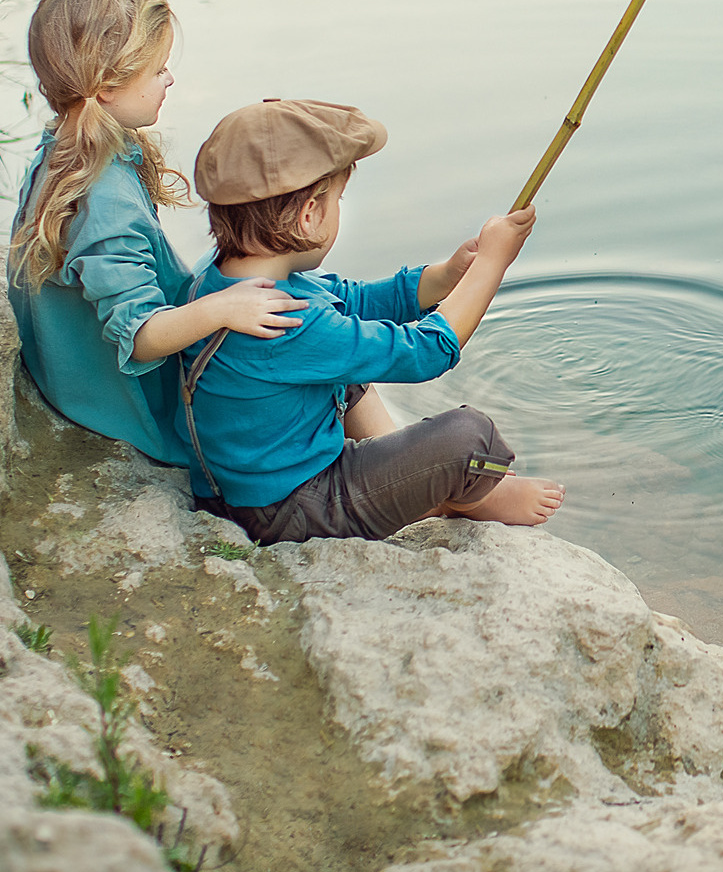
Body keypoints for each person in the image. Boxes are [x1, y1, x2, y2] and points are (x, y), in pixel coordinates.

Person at [173, 97, 563, 543]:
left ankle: (407, 480)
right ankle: (464, 496)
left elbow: (353, 300)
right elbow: (427, 352)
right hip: (289, 510)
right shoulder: (286, 321)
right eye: (337, 199)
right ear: (309, 215)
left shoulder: (223, 283)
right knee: (471, 438)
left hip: (241, 488)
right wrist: (493, 263)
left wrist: (447, 276)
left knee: (347, 355)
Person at [7, 0, 308, 496]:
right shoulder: (104, 201)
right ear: (107, 86)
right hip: (133, 407)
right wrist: (222, 308)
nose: (169, 78)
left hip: (71, 377)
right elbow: (141, 337)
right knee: (310, 339)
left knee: (289, 306)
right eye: (158, 69)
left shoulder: (65, 150)